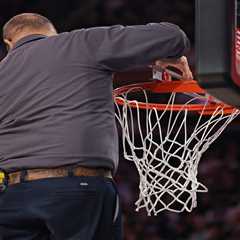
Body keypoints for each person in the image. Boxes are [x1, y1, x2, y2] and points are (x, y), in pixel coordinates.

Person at [0, 13, 192, 240]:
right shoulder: (77, 43)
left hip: (10, 198)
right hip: (78, 189)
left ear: (8, 43)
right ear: (53, 34)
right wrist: (160, 54)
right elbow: (172, 36)